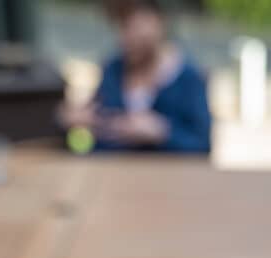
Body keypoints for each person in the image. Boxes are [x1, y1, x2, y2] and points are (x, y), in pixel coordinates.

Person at [60, 0, 211, 153]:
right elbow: (94, 135)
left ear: (159, 21)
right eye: (122, 26)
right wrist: (75, 122)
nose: (128, 37)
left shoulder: (188, 79)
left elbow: (203, 145)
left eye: (135, 26)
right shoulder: (112, 71)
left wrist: (162, 133)